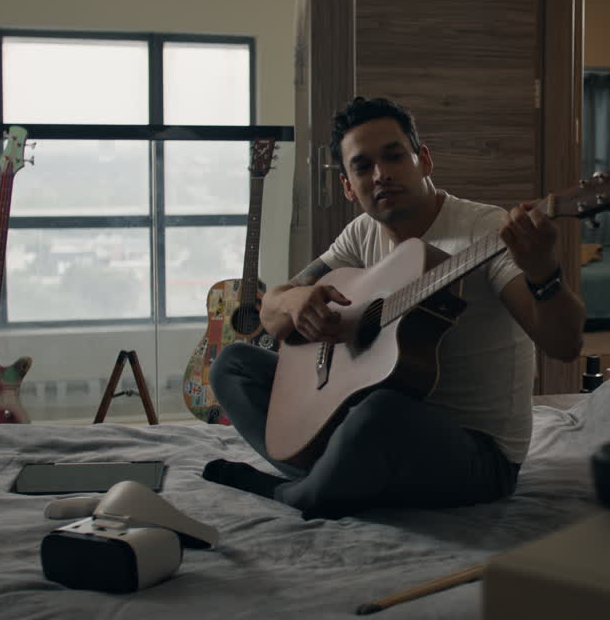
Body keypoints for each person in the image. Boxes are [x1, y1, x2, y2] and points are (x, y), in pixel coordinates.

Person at [202, 96, 586, 519]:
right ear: (348, 186)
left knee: (379, 415)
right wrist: (293, 299)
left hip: (476, 454)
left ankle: (299, 492)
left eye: (394, 156)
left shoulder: (484, 231)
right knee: (232, 365)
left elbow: (564, 344)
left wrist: (544, 273)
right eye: (363, 166)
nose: (381, 175)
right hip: (371, 423)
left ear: (423, 160)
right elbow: (272, 311)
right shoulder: (360, 234)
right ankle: (332, 474)